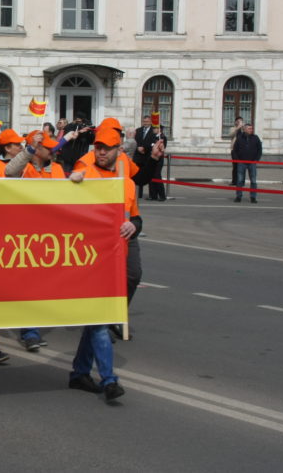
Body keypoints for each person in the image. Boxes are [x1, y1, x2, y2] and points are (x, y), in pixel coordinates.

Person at [68, 127, 163, 402]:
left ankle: (79, 373)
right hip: (88, 257)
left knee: (97, 318)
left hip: (114, 256)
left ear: (118, 148)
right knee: (99, 319)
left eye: (107, 147)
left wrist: (132, 225)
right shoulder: (84, 173)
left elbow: (136, 218)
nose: (100, 151)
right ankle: (109, 380)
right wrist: (69, 183)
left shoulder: (126, 181)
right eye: (98, 146)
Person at [232, 123, 262, 203]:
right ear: (244, 129)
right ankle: (238, 196)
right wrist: (237, 160)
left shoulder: (255, 138)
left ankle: (253, 197)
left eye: (251, 128)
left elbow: (259, 149)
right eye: (249, 128)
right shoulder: (239, 138)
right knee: (240, 180)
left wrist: (256, 159)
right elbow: (234, 150)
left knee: (253, 180)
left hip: (252, 163)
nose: (251, 130)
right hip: (241, 163)